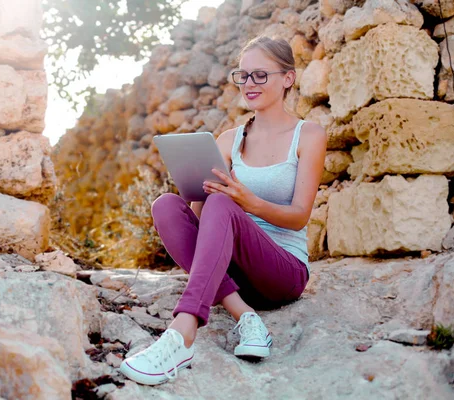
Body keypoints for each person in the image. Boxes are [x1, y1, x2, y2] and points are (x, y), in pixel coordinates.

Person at [119, 35, 327, 386]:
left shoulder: (308, 135)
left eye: (260, 75)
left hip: (282, 272)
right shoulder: (229, 139)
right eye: (242, 76)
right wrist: (200, 195)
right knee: (167, 205)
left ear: (288, 78)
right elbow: (206, 222)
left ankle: (182, 333)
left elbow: (299, 216)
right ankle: (245, 316)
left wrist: (247, 202)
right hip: (234, 273)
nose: (249, 84)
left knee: (224, 201)